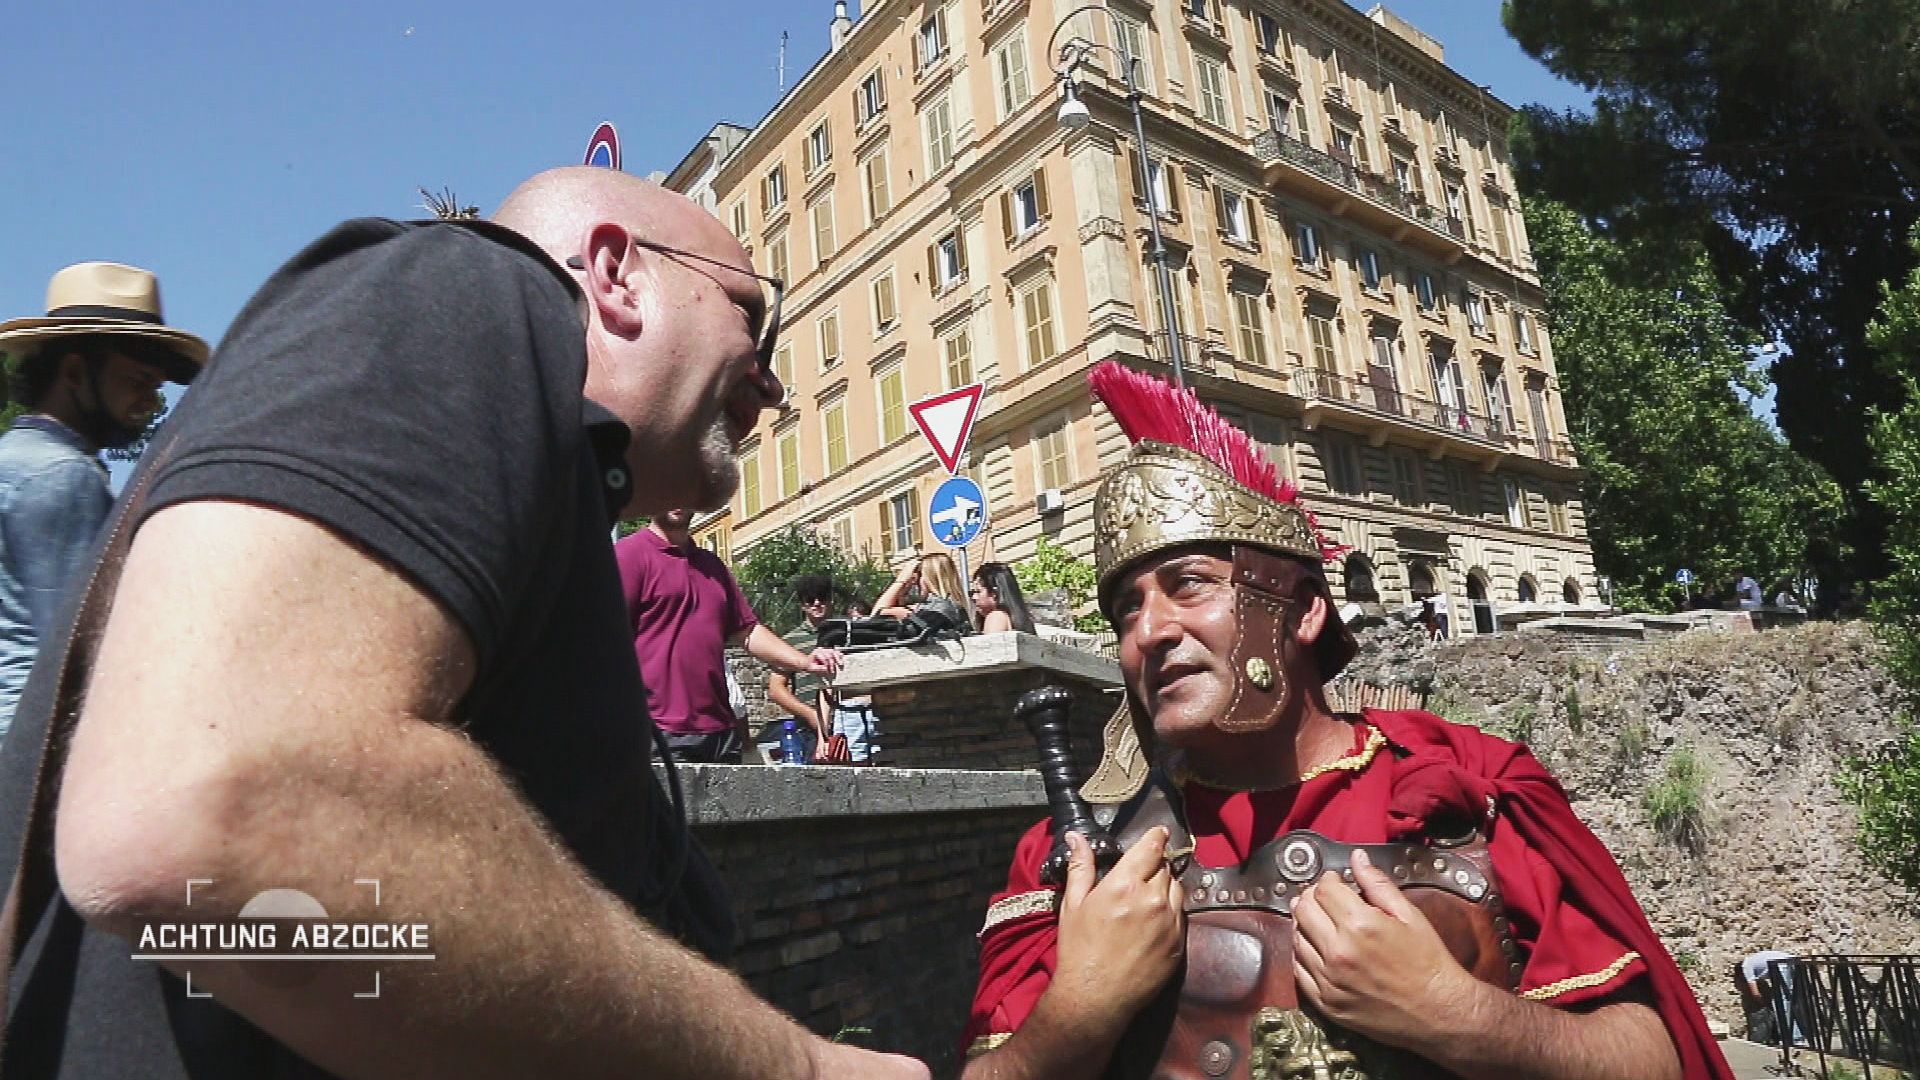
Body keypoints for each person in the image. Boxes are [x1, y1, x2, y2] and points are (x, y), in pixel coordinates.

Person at [0, 169, 926, 1078]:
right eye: (750, 317)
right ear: (614, 274)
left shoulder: (554, 511)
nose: (770, 387)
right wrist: (792, 1065)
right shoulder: (478, 291)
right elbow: (209, 804)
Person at [960, 361, 1730, 1080]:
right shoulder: (1076, 861)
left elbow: (1657, 1054)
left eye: (1189, 585)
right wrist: (1077, 1014)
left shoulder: (1468, 793)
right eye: (1127, 608)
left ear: (1301, 612)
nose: (1148, 631)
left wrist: (1460, 1017)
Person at [0, 261, 205, 742]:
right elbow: (79, 653)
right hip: (32, 752)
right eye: (138, 381)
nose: (150, 403)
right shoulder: (64, 475)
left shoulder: (13, 458)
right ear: (74, 372)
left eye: (156, 388)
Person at [617, 508, 844, 763]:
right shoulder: (628, 556)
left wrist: (805, 662)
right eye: (669, 487)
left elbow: (747, 631)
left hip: (722, 733)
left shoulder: (713, 566)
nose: (677, 497)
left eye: (686, 488)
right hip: (657, 731)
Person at [771, 573, 881, 764]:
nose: (816, 603)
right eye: (809, 599)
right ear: (802, 605)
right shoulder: (790, 641)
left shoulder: (850, 632)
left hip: (851, 719)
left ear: (831, 600)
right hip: (810, 730)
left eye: (822, 597)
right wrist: (810, 714)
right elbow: (776, 689)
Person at [876, 550, 965, 618]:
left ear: (931, 577)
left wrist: (900, 581)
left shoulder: (936, 610)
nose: (915, 582)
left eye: (919, 575)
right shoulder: (955, 607)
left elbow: (875, 616)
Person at [970, 560, 1036, 634]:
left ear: (994, 593)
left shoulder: (996, 617)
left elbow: (989, 645)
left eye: (978, 591)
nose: (974, 597)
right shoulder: (1024, 621)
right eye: (972, 593)